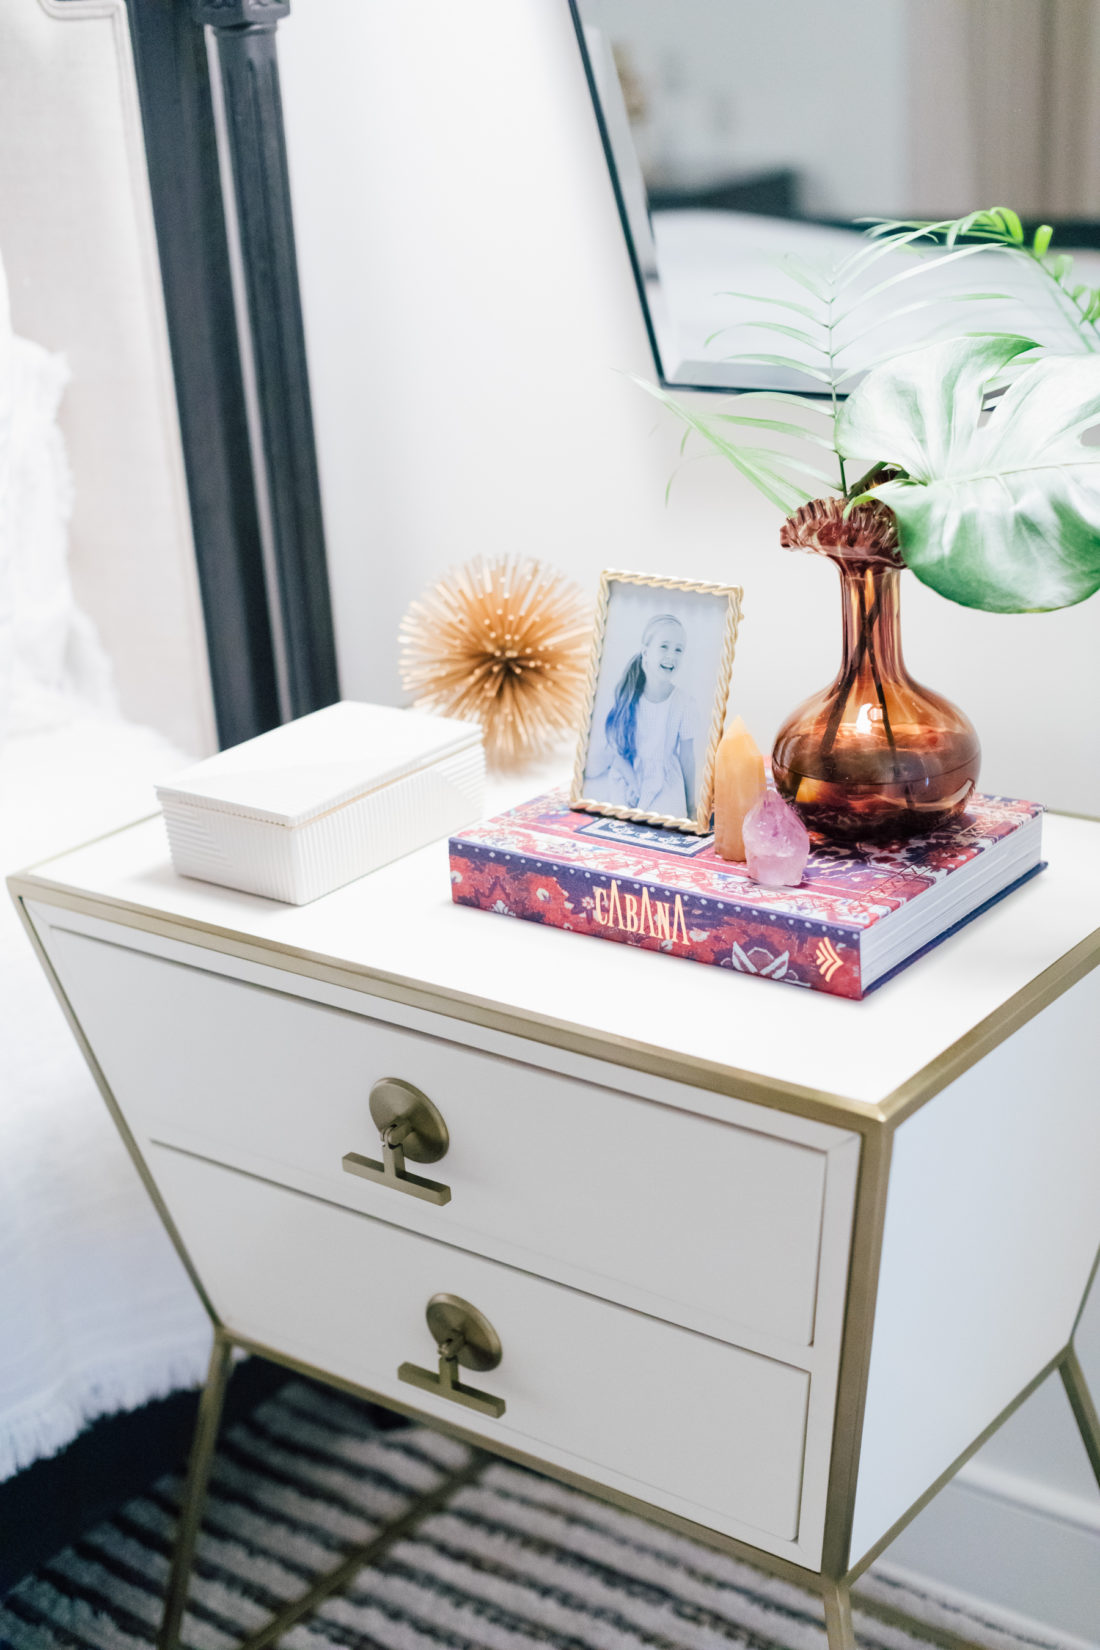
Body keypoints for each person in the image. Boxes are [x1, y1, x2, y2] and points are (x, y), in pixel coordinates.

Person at [586, 613, 696, 816]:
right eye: (664, 646)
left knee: (668, 822)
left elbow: (687, 758)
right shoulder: (630, 696)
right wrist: (634, 784)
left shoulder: (683, 702)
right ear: (645, 652)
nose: (671, 655)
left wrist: (692, 806)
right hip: (629, 774)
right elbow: (617, 751)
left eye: (678, 649)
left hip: (666, 781)